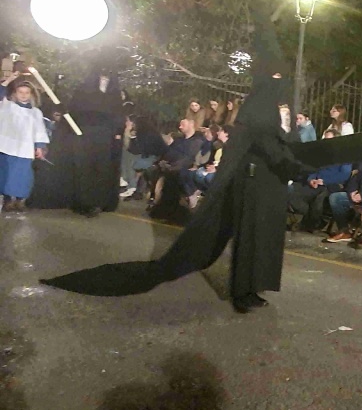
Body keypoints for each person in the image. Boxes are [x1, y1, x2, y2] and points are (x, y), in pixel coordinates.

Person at [41, 22, 311, 314]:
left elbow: (288, 141)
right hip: (254, 180)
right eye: (273, 75)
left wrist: (297, 163)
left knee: (268, 239)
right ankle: (242, 291)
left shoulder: (282, 106)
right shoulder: (257, 105)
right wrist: (293, 165)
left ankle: (257, 287)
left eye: (280, 75)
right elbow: (264, 142)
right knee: (251, 238)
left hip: (274, 181)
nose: (277, 80)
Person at [30, 66, 125, 216]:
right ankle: (83, 202)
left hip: (105, 138)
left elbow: (118, 115)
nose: (104, 80)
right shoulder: (83, 92)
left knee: (102, 170)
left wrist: (117, 132)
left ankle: (98, 201)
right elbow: (73, 111)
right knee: (83, 170)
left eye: (107, 77)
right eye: (101, 77)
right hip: (83, 136)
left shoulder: (114, 95)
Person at [0, 73, 48, 212]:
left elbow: (39, 130)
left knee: (23, 174)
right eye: (20, 92)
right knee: (7, 173)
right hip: (7, 146)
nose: (23, 95)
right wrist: (8, 81)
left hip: (25, 147)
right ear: (15, 93)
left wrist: (39, 146)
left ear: (31, 94)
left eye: (27, 92)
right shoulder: (7, 106)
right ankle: (8, 200)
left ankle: (20, 200)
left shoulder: (35, 112)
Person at [144, 118, 205, 215]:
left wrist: (171, 166)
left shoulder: (196, 141)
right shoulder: (179, 140)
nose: (180, 127)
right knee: (152, 170)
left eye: (183, 124)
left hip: (182, 166)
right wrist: (162, 161)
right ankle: (154, 198)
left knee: (168, 175)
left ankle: (158, 200)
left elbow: (188, 158)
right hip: (170, 165)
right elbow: (169, 152)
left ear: (191, 124)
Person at [180, 125, 233, 209]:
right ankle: (194, 194)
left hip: (219, 172)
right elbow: (211, 159)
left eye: (221, 131)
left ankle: (205, 196)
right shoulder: (216, 145)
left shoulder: (230, 148)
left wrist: (215, 169)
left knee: (207, 177)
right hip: (210, 168)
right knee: (193, 173)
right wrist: (208, 166)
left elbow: (227, 163)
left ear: (226, 134)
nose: (218, 132)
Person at [122, 116, 168, 200]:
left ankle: (132, 186)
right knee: (129, 158)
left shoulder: (146, 134)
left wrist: (129, 134)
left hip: (156, 157)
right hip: (150, 156)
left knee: (133, 162)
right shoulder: (145, 133)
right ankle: (134, 188)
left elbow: (136, 150)